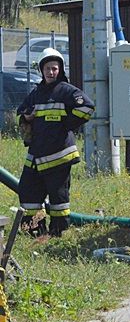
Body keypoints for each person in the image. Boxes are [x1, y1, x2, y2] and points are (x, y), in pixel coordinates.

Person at [16, 47, 94, 237]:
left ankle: (58, 232)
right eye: (48, 69)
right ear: (41, 70)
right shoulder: (36, 93)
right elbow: (21, 112)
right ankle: (33, 231)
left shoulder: (67, 91)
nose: (51, 72)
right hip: (36, 156)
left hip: (59, 156)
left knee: (58, 197)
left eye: (55, 69)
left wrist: (65, 124)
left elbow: (87, 107)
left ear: (60, 70)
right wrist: (27, 117)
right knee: (27, 191)